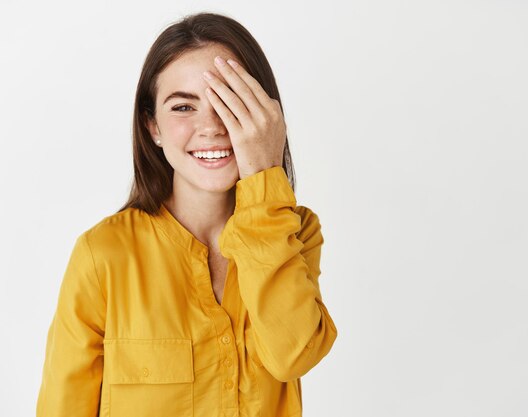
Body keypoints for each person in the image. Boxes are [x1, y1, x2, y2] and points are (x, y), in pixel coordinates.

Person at [36, 12, 338, 417]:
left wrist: (263, 178)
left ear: (264, 116)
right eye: (183, 107)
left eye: (230, 103)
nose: (211, 127)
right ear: (152, 126)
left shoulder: (296, 232)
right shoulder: (102, 255)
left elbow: (292, 355)